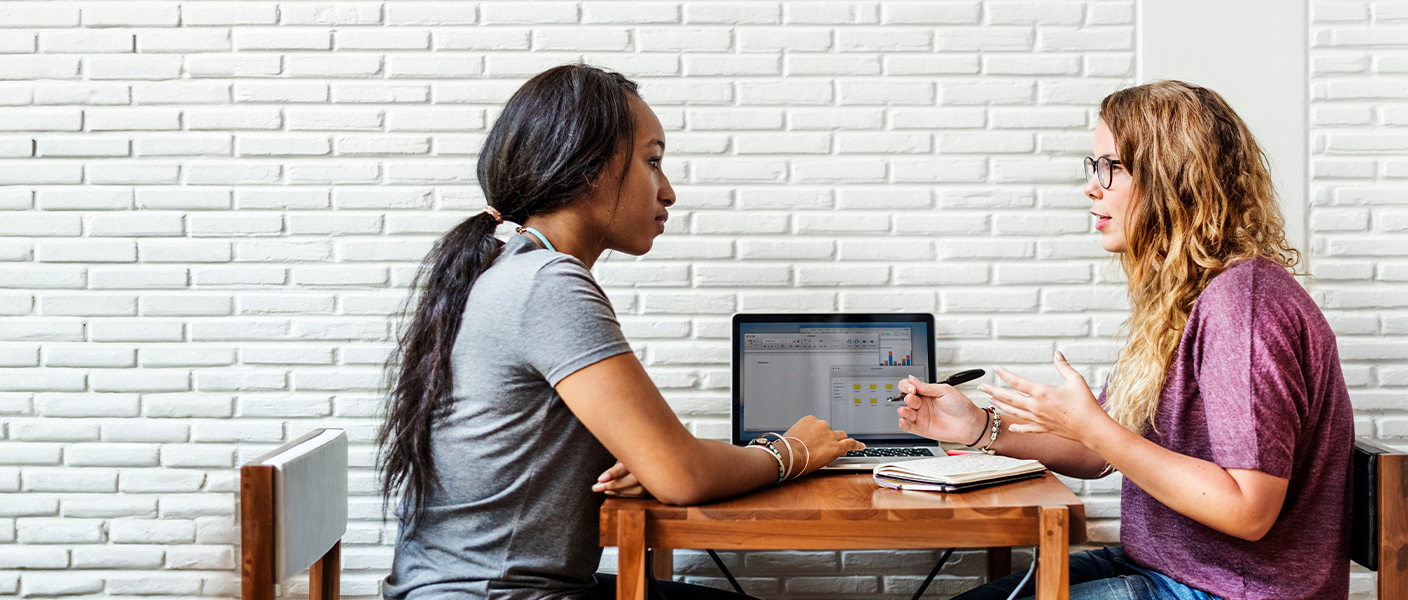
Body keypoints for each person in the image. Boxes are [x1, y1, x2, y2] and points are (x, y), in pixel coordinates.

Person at [379, 64, 864, 600]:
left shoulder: (506, 265)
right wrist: (790, 450)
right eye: (652, 162)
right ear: (590, 168)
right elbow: (682, 475)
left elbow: (653, 460)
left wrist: (643, 457)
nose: (669, 192)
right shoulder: (547, 283)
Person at [897, 80, 1355, 600]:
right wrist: (980, 427)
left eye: (1111, 167)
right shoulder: (1183, 298)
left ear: (1173, 178)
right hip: (1173, 569)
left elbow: (1247, 509)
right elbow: (1101, 454)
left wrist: (1092, 426)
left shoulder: (1240, 307)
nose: (1093, 188)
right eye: (1093, 168)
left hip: (1230, 590)